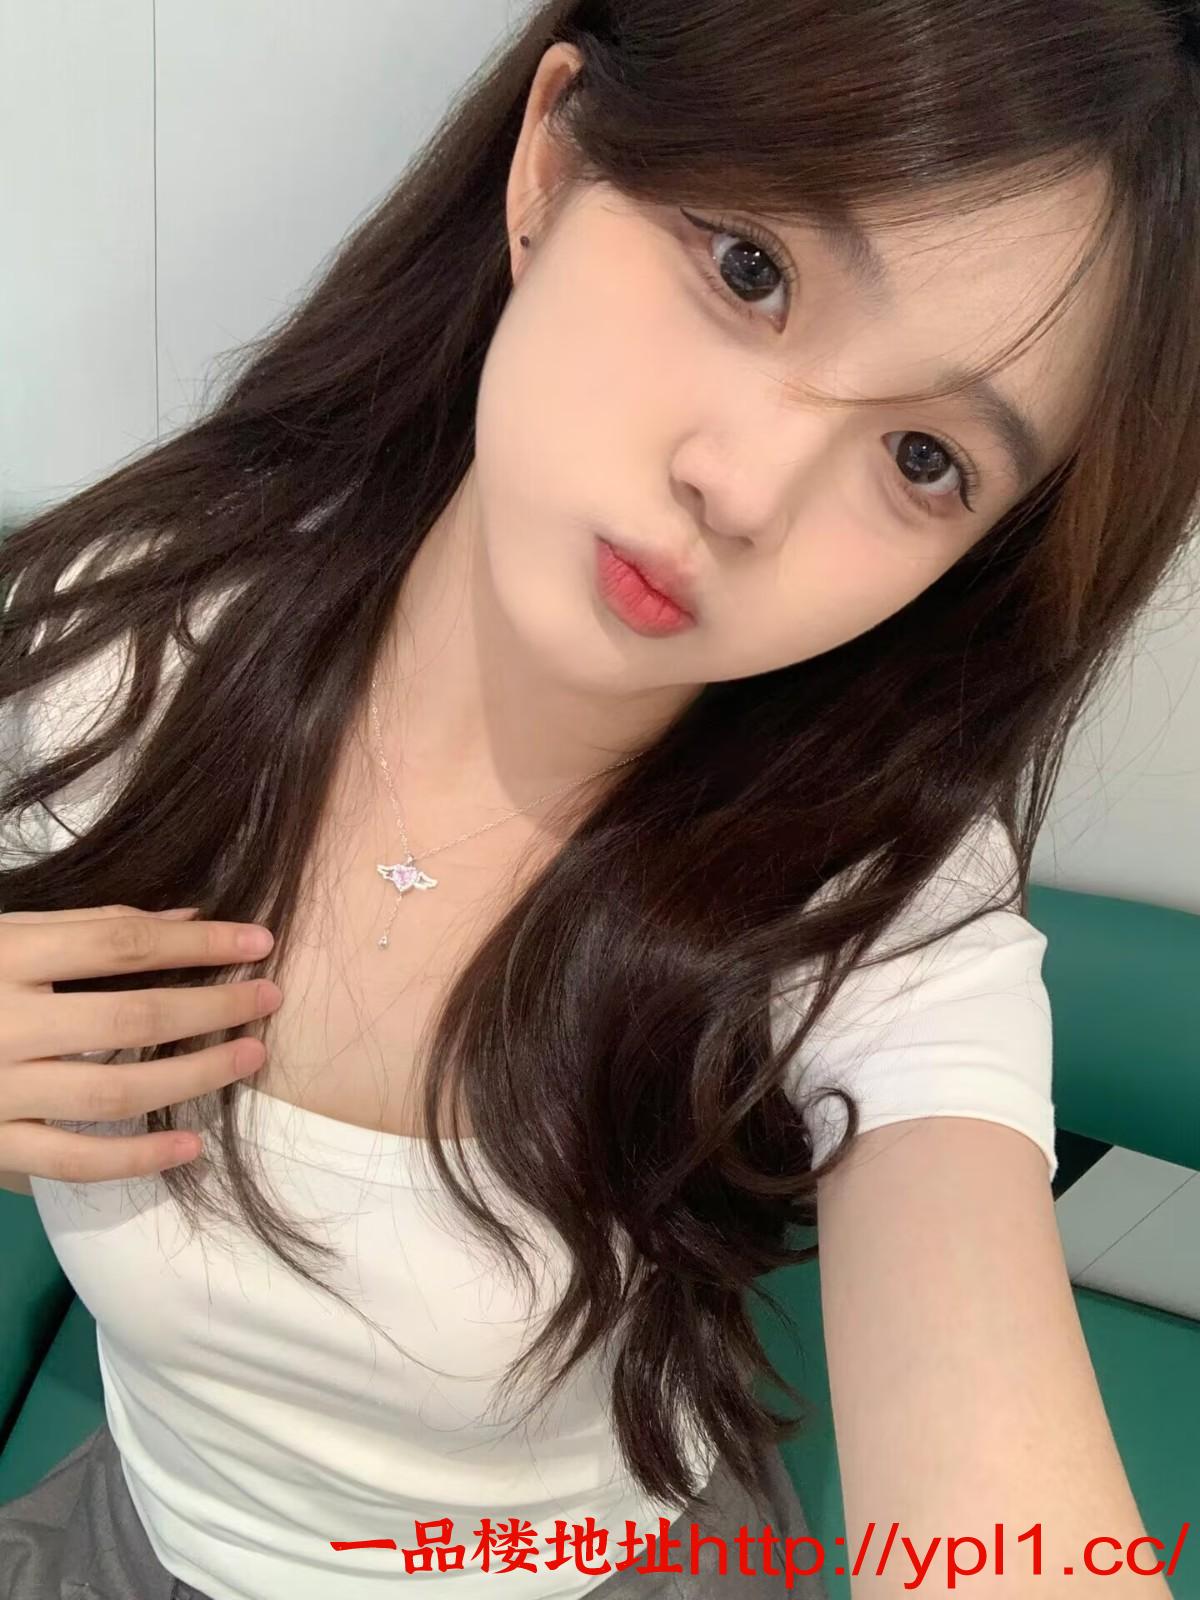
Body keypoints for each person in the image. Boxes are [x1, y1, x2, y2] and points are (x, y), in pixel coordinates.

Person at [1, 1, 1198, 1595]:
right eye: (752, 269)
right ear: (555, 164)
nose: (746, 489)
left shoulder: (871, 907)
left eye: (924, 459)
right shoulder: (111, 664)